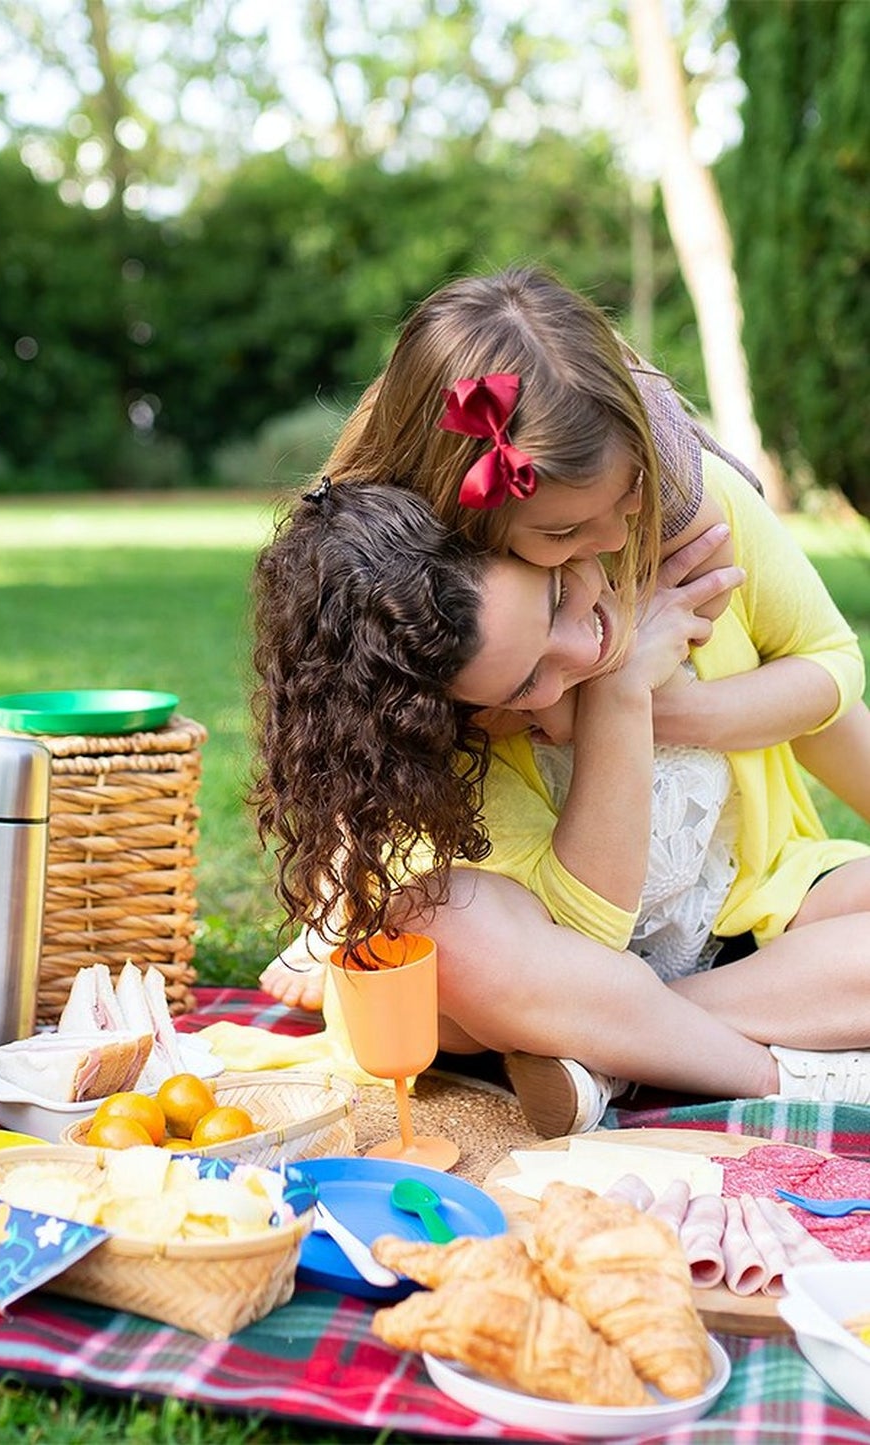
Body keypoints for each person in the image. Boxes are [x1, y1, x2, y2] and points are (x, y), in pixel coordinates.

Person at [258, 265, 870, 1015]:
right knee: (444, 962)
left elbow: (831, 667)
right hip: (550, 928)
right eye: (561, 534)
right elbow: (363, 757)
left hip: (748, 892)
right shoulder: (438, 625)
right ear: (466, 520)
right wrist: (608, 695)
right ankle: (658, 1025)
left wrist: (664, 707)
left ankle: (648, 1032)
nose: (612, 536)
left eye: (628, 495)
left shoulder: (690, 515)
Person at [234, 474, 870, 1136]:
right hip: (550, 978)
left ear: (536, 539)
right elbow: (589, 939)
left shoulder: (681, 538)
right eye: (525, 681)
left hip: (750, 923)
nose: (582, 648)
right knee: (444, 928)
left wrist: (667, 706)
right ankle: (774, 1072)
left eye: (558, 596)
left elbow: (828, 682)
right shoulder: (448, 729)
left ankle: (610, 1058)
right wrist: (617, 695)